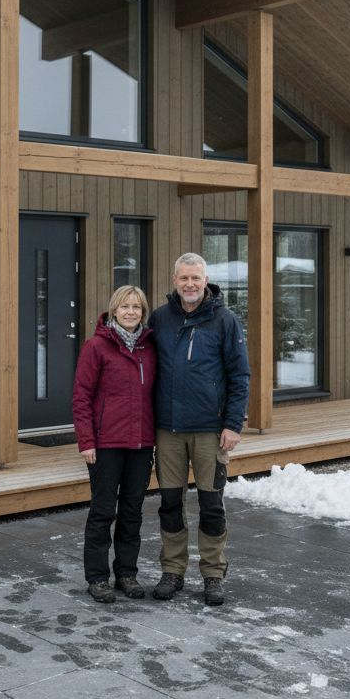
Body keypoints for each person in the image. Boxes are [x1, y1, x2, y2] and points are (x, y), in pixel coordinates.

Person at [149, 252, 249, 606]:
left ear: (205, 280)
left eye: (195, 278)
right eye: (183, 278)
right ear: (174, 280)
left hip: (210, 429)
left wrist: (233, 424)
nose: (189, 284)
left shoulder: (225, 321)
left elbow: (240, 376)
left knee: (211, 504)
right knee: (170, 503)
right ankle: (173, 570)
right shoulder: (160, 319)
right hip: (169, 430)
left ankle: (212, 574)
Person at [72, 285, 157, 604]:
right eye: (125, 306)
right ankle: (97, 577)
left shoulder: (150, 348)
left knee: (132, 512)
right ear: (114, 310)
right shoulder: (97, 347)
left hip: (141, 443)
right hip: (105, 443)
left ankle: (126, 573)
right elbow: (81, 397)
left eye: (137, 307)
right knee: (103, 510)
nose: (131, 312)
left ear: (143, 312)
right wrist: (86, 440)